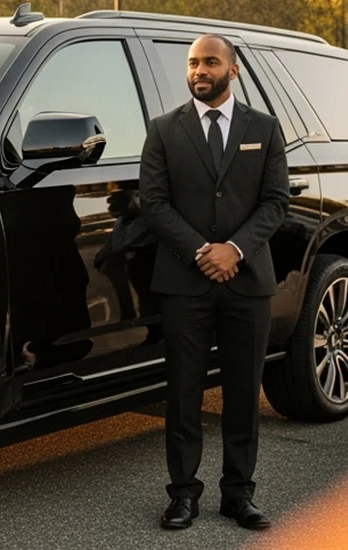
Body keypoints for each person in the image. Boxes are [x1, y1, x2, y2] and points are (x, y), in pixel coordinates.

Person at [139, 34, 289, 531]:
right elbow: (153, 202)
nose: (199, 71)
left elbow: (275, 202)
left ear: (233, 69)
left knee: (243, 394)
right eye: (192, 63)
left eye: (210, 62)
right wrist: (203, 251)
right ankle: (182, 495)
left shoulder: (264, 128)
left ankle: (238, 495)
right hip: (185, 281)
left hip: (249, 280)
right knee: (183, 394)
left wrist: (235, 250)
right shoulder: (164, 129)